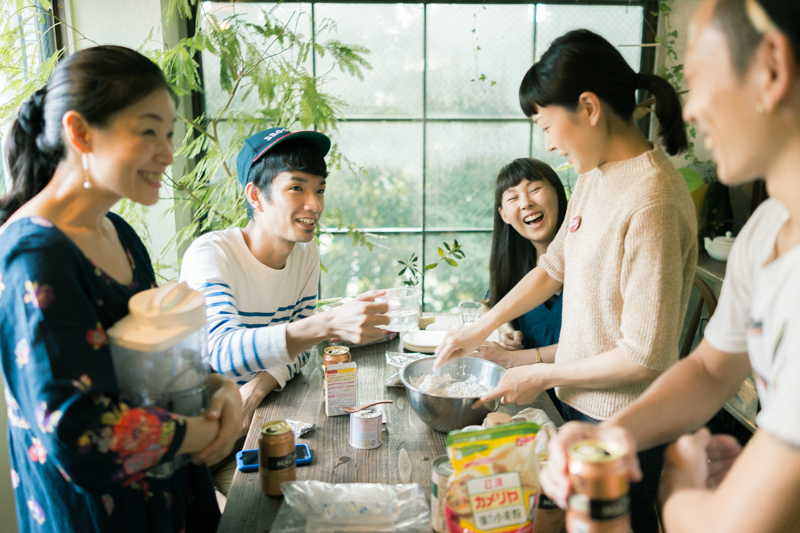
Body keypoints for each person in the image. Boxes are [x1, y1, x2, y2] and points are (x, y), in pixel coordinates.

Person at [540, 1, 800, 530]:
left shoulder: (654, 195)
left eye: (699, 76)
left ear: (771, 69)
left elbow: (723, 526)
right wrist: (610, 438)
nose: (691, 108)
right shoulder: (765, 230)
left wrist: (676, 484)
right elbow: (708, 370)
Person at [433, 29, 697, 533]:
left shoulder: (653, 200)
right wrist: (479, 328)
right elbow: (553, 268)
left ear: (590, 108)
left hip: (624, 422)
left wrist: (541, 375)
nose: (549, 143)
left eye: (548, 126)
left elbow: (644, 356)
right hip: (578, 406)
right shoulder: (596, 176)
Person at [0, 46, 242, 533]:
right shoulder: (35, 255)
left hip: (168, 497)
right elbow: (81, 436)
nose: (168, 154)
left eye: (169, 134)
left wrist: (222, 390)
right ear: (80, 132)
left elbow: (160, 361)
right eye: (148, 131)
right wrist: (204, 432)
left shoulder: (120, 234)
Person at [179, 127, 390, 495]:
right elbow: (222, 353)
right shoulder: (211, 254)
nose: (315, 205)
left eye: (320, 189)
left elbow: (301, 349)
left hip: (256, 427)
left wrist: (256, 389)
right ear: (255, 196)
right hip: (195, 450)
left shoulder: (305, 253)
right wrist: (327, 323)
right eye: (297, 188)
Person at [476, 158, 567, 412]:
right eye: (513, 197)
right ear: (504, 215)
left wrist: (512, 358)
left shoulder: (588, 261)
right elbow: (493, 303)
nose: (526, 202)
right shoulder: (515, 263)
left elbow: (592, 346)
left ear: (558, 194)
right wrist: (506, 327)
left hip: (579, 406)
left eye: (535, 189)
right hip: (533, 402)